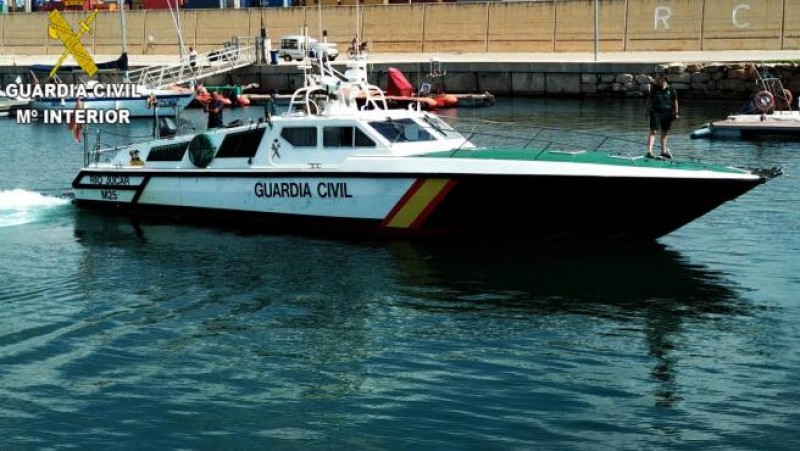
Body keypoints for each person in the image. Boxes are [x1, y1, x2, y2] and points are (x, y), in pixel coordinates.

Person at [644, 72, 679, 159]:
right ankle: (649, 151)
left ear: (664, 80)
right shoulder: (654, 89)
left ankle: (663, 151)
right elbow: (649, 99)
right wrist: (646, 110)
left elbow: (675, 101)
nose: (657, 82)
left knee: (665, 132)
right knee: (653, 131)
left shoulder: (671, 90)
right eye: (657, 80)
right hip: (655, 112)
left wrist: (676, 113)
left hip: (667, 113)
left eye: (659, 80)